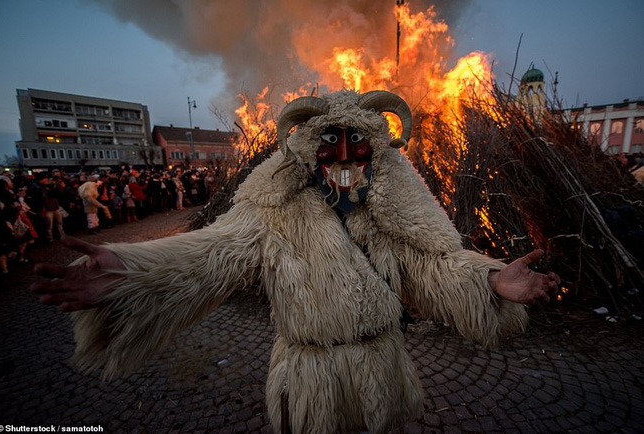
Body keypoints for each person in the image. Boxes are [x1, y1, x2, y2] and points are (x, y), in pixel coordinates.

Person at [32, 91, 560, 434]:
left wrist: (490, 280)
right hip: (311, 385)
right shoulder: (272, 213)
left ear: (377, 151)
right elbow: (208, 255)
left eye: (360, 144)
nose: (348, 155)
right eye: (333, 143)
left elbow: (434, 268)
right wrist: (128, 272)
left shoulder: (387, 218)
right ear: (310, 150)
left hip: (383, 375)